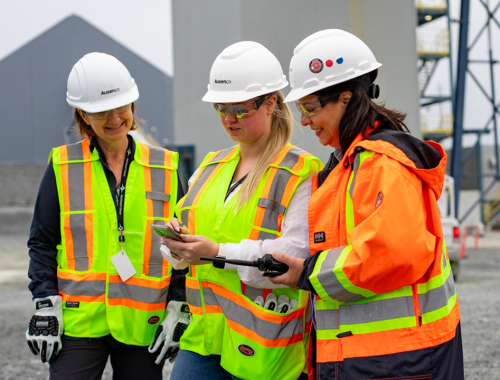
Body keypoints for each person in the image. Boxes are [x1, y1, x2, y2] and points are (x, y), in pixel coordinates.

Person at [270, 29, 464, 380]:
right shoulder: (346, 164)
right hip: (374, 357)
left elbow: (390, 252)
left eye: (310, 107)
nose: (304, 120)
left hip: (401, 359)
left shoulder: (382, 166)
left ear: (344, 98)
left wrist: (305, 272)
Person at [162, 41, 322, 380]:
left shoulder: (300, 171)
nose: (229, 119)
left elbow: (295, 253)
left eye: (240, 109)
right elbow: (186, 236)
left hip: (263, 342)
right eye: (221, 108)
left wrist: (217, 253)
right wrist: (177, 244)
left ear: (271, 103)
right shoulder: (210, 165)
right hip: (206, 333)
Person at [26, 52, 187, 379]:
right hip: (79, 323)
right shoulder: (63, 165)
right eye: (101, 111)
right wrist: (44, 300)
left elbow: (183, 241)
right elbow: (41, 242)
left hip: (144, 322)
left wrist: (180, 303)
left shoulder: (166, 166)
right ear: (83, 114)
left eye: (121, 108)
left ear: (132, 106)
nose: (114, 118)